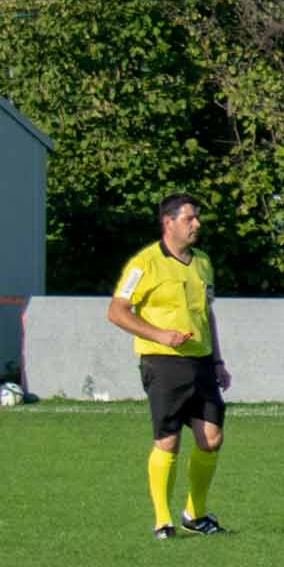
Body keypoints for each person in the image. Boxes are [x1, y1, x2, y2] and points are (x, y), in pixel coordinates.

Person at [105, 193, 232, 539]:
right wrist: (160, 335)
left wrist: (217, 360)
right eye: (189, 218)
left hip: (201, 361)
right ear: (168, 222)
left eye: (197, 218)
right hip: (162, 362)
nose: (197, 224)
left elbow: (206, 313)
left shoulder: (202, 262)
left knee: (211, 438)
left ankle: (195, 514)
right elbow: (116, 311)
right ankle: (163, 520)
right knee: (168, 441)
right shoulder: (144, 263)